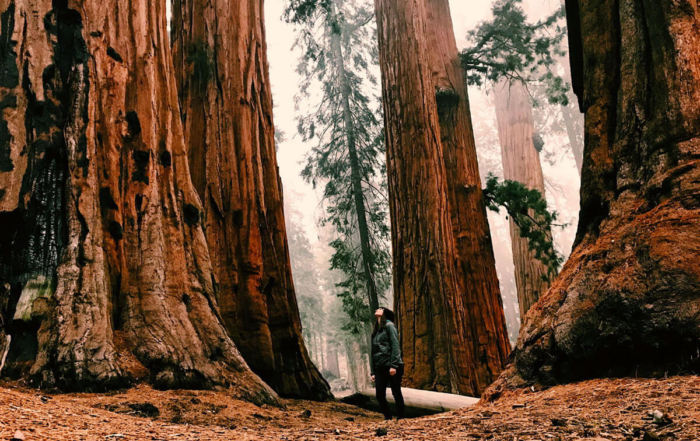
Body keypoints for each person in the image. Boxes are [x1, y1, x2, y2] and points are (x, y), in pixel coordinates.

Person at [370, 307, 404, 420]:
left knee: (396, 392)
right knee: (379, 395)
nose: (377, 309)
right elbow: (373, 351)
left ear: (385, 313)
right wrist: (373, 372)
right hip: (380, 367)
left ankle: (401, 418)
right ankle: (388, 417)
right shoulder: (376, 329)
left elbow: (395, 346)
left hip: (392, 366)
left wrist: (393, 365)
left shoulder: (390, 326)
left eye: (380, 309)